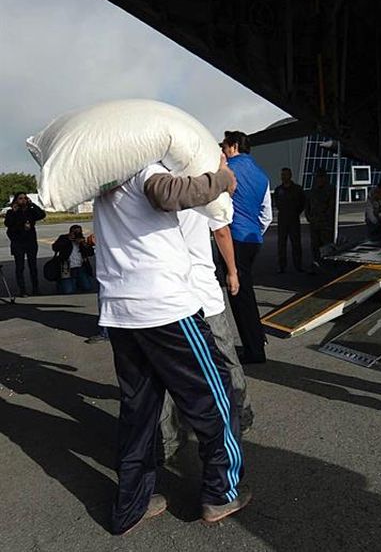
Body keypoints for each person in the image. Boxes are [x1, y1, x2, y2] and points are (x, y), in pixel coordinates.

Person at [94, 157, 250, 534]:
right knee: (214, 398)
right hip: (165, 308)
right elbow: (167, 193)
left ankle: (131, 504)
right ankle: (219, 492)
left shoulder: (102, 178)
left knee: (139, 410)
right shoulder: (143, 165)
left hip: (120, 312)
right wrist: (222, 177)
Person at [160, 208, 255, 462]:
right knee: (225, 356)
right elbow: (222, 232)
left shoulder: (157, 187)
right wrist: (232, 271)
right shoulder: (203, 188)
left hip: (170, 296)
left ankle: (168, 438)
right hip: (204, 291)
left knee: (168, 368)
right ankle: (241, 414)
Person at [221, 130, 272, 365]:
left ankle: (254, 350)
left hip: (234, 238)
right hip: (252, 239)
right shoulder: (262, 174)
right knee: (246, 293)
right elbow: (266, 215)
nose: (222, 149)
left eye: (224, 145)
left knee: (239, 296)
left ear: (233, 146)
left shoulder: (226, 169)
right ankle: (256, 341)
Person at [4, 192, 45, 297]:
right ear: (16, 200)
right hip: (18, 242)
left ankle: (36, 288)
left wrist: (32, 204)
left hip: (30, 241)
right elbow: (8, 223)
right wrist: (14, 212)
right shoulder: (11, 212)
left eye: (25, 198)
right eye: (20, 198)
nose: (23, 200)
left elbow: (42, 214)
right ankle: (22, 290)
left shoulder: (30, 211)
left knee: (33, 266)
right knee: (20, 267)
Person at [273, 167, 305, 273]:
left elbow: (302, 203)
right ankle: (281, 266)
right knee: (281, 244)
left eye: (286, 175)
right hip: (282, 220)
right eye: (282, 175)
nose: (283, 177)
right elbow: (277, 203)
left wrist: (296, 212)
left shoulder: (297, 189)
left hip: (294, 219)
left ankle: (298, 265)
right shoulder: (278, 190)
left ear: (290, 175)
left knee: (296, 244)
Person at [305, 169, 336, 271]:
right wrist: (309, 217)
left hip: (325, 223)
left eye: (321, 177)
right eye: (317, 177)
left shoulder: (330, 190)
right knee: (315, 245)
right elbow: (308, 205)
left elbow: (331, 207)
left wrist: (326, 219)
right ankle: (316, 262)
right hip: (314, 223)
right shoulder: (313, 190)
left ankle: (327, 263)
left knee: (326, 244)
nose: (319, 179)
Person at [51, 224, 95, 294]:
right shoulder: (64, 238)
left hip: (80, 266)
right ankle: (61, 283)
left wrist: (83, 244)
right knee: (68, 291)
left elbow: (91, 253)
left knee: (87, 287)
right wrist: (68, 239)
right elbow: (55, 247)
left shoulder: (82, 240)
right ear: (70, 232)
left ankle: (77, 282)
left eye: (79, 232)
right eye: (75, 232)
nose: (77, 234)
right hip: (67, 267)